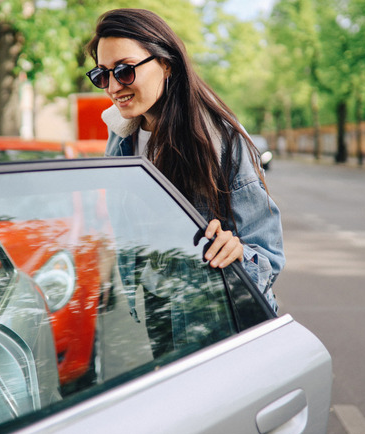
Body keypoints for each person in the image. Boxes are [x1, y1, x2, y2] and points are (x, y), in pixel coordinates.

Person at [85, 8, 285, 313]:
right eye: (102, 74)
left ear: (165, 64)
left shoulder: (220, 139)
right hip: (158, 312)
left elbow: (268, 256)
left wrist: (237, 252)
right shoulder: (120, 136)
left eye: (125, 70)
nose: (113, 87)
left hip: (216, 315)